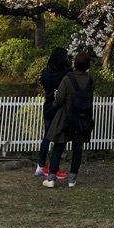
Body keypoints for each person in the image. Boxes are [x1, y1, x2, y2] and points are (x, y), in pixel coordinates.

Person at [42, 51, 94, 188]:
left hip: (66, 116)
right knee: (78, 149)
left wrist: (52, 106)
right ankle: (72, 178)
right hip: (82, 118)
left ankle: (52, 177)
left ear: (75, 64)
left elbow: (59, 99)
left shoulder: (68, 79)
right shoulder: (90, 81)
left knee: (59, 146)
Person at [34, 47, 72, 179]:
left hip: (48, 107)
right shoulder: (65, 73)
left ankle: (41, 164)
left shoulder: (45, 73)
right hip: (59, 109)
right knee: (59, 139)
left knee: (47, 137)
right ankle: (54, 168)